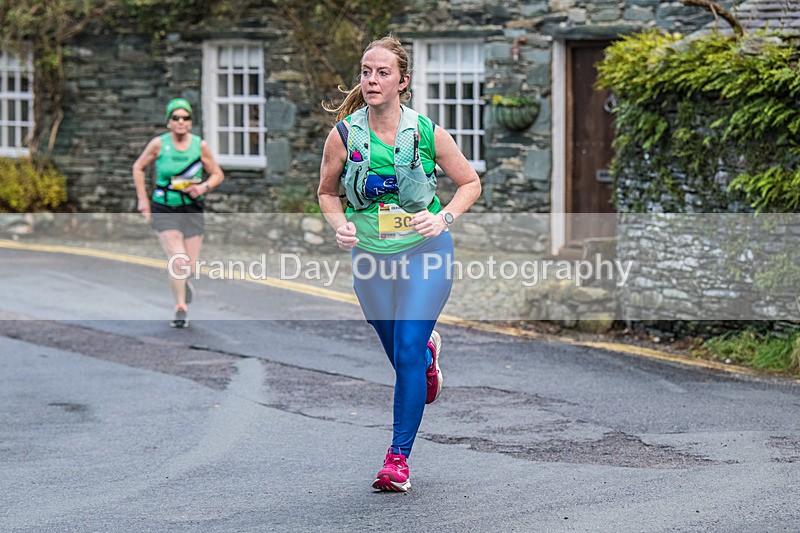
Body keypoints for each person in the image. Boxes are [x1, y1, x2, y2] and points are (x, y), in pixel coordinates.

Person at [318, 35, 481, 492]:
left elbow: (470, 183)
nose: (372, 80)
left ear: (402, 81)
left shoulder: (428, 133)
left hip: (424, 251)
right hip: (370, 258)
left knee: (405, 350)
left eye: (382, 72)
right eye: (366, 71)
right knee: (398, 350)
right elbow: (327, 193)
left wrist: (443, 217)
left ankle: (397, 460)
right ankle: (427, 356)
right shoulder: (344, 135)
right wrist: (340, 224)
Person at [132, 98, 224, 328]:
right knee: (178, 260)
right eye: (176, 118)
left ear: (191, 122)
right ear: (169, 122)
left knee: (191, 267)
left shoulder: (199, 145)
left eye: (185, 118)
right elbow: (138, 167)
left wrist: (204, 187)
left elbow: (217, 174)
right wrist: (143, 201)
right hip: (165, 206)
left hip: (192, 207)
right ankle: (180, 308)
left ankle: (183, 283)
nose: (181, 122)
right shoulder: (159, 144)